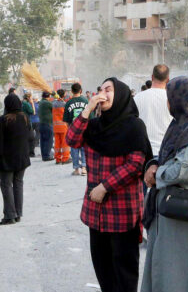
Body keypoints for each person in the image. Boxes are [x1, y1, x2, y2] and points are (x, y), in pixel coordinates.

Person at [66, 78, 153, 292]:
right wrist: (87, 110)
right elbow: (72, 140)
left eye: (109, 89)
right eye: (100, 89)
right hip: (96, 214)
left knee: (124, 272)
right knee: (103, 270)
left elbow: (135, 164)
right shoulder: (93, 126)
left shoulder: (134, 126)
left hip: (122, 213)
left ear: (121, 95)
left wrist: (104, 187)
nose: (103, 93)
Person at [140, 77, 188, 292]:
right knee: (168, 265)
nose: (168, 103)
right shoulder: (179, 125)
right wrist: (154, 164)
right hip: (173, 206)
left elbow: (187, 167)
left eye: (170, 98)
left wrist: (158, 175)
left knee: (183, 267)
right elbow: (169, 155)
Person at [0, 93, 32, 225]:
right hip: (22, 158)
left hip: (6, 160)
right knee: (18, 184)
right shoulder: (25, 118)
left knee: (6, 185)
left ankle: (10, 215)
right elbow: (31, 137)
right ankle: (18, 213)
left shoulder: (3, 120)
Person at [134, 64, 173, 158]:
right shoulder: (173, 98)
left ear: (152, 77)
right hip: (166, 152)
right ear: (168, 79)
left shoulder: (137, 97)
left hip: (143, 151)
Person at [64, 83, 89, 175]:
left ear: (71, 91)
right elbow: (90, 116)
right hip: (84, 128)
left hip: (73, 129)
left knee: (74, 149)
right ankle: (84, 168)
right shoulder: (86, 101)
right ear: (81, 90)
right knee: (84, 148)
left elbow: (66, 120)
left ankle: (76, 169)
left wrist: (70, 128)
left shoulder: (68, 103)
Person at [53, 89, 71, 164]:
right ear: (63, 95)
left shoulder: (53, 103)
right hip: (63, 126)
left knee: (57, 143)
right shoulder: (64, 104)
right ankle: (65, 158)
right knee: (64, 143)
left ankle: (57, 159)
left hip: (56, 127)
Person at [37, 91, 54, 161]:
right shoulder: (47, 103)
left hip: (41, 123)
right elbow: (54, 108)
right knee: (48, 140)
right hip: (47, 123)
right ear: (49, 96)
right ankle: (47, 156)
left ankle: (44, 155)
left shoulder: (41, 102)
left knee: (43, 140)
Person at [23, 92, 38, 157]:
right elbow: (33, 112)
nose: (32, 99)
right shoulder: (26, 104)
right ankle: (31, 153)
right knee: (31, 138)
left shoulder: (22, 103)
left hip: (22, 122)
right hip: (27, 122)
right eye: (31, 98)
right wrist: (32, 104)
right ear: (28, 98)